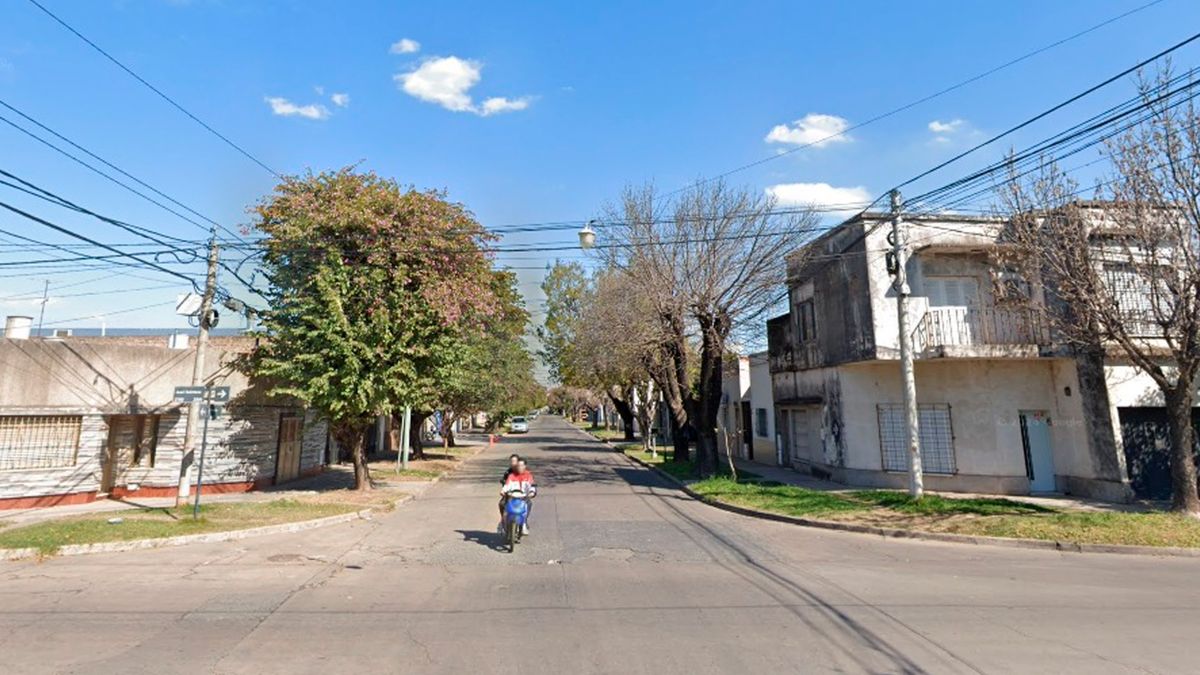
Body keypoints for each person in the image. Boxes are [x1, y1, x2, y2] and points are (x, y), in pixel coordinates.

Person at [499, 458, 537, 535]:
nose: (520, 467)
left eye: (522, 465)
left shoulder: (528, 475)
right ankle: (503, 524)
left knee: (529, 504)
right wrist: (503, 491)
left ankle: (524, 523)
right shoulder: (511, 476)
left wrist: (532, 492)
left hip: (523, 498)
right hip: (512, 497)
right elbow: (507, 485)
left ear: (525, 466)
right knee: (503, 504)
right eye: (518, 465)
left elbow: (531, 486)